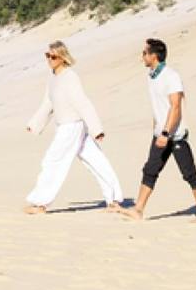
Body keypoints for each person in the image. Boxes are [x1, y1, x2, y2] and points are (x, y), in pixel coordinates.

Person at [23, 40, 123, 214]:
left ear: (62, 57)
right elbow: (48, 104)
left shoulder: (70, 77)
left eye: (53, 56)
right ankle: (113, 199)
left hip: (71, 127)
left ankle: (41, 204)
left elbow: (82, 103)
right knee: (95, 160)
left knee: (53, 161)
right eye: (47, 55)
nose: (49, 59)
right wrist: (35, 124)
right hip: (66, 126)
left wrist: (96, 128)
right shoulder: (53, 78)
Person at [117, 37, 196, 222]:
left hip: (175, 136)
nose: (142, 56)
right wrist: (157, 130)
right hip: (160, 134)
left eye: (144, 53)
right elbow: (158, 107)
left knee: (189, 173)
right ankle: (138, 210)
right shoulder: (152, 76)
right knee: (150, 170)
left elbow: (175, 107)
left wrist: (166, 133)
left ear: (154, 56)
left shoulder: (171, 76)